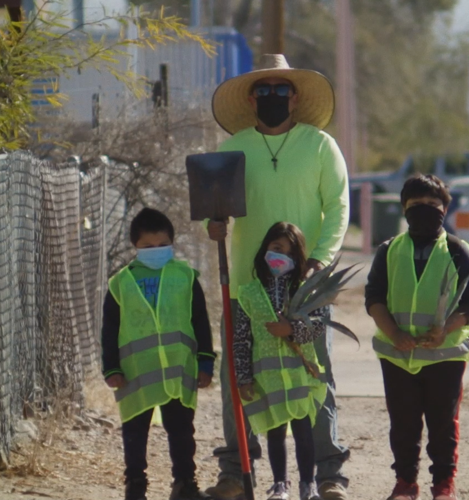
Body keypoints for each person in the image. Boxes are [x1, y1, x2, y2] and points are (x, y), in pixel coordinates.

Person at [206, 54, 351, 500]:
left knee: (314, 374)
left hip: (304, 287)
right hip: (247, 288)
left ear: (295, 97)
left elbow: (338, 206)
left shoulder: (320, 145)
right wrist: (212, 226)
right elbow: (212, 208)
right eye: (263, 90)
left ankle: (328, 475)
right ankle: (238, 470)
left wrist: (320, 260)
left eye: (281, 90)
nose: (272, 97)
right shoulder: (233, 148)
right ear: (251, 99)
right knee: (241, 375)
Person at [364, 174, 469, 500]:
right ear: (404, 208)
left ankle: (443, 485)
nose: (425, 210)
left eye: (433, 205)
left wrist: (447, 327)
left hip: (445, 356)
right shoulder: (388, 251)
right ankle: (406, 483)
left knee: (443, 426)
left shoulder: (460, 251)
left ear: (445, 209)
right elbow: (373, 298)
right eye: (417, 205)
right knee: (403, 427)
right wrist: (395, 333)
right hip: (397, 355)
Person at [102, 208, 217, 500]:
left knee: (181, 432)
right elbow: (110, 329)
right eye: (148, 247)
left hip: (179, 371)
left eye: (161, 246)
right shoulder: (120, 283)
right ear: (135, 247)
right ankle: (136, 486)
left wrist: (206, 361)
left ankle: (184, 485)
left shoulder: (185, 276)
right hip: (135, 374)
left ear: (172, 243)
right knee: (135, 433)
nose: (155, 251)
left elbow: (200, 321)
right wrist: (111, 368)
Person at [235, 222, 329, 500]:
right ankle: (280, 484)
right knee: (275, 430)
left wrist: (291, 330)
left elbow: (320, 324)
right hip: (268, 378)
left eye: (288, 252)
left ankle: (307, 485)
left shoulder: (305, 290)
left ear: (297, 257)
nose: (280, 256)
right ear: (265, 249)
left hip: (300, 373)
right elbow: (241, 339)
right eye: (276, 248)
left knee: (303, 429)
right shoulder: (249, 293)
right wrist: (243, 377)